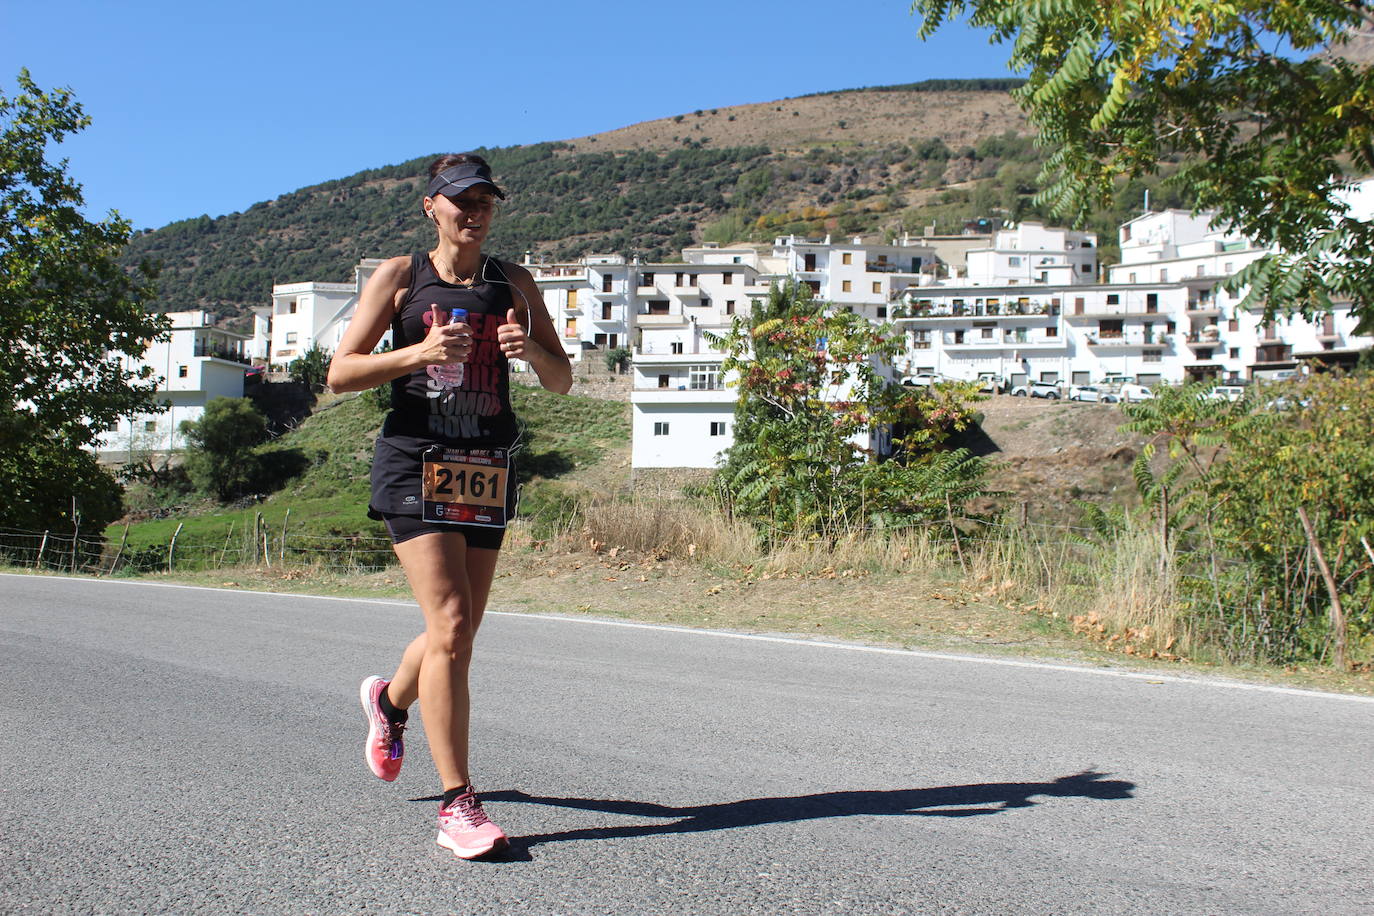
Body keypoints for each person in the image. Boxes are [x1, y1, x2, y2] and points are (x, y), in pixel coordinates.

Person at [326, 153, 572, 859]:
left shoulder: (514, 284)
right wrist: (419, 351)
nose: (475, 211)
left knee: (452, 633)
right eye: (461, 200)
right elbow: (341, 372)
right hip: (415, 459)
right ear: (431, 206)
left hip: (485, 466)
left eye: (486, 200)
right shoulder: (401, 277)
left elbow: (560, 380)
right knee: (454, 624)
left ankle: (388, 703)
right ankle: (457, 803)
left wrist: (531, 354)